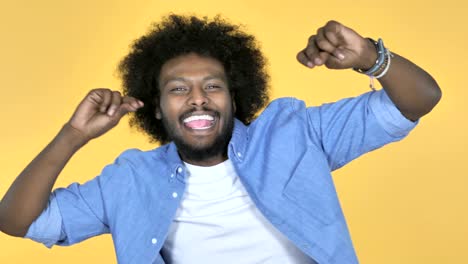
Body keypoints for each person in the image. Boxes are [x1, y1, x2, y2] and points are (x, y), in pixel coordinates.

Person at [0, 15, 441, 264]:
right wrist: (72, 136)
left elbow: (417, 101)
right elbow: (17, 221)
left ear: (234, 96)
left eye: (212, 86)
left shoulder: (294, 133)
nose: (197, 100)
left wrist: (369, 57)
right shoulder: (130, 179)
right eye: (177, 89)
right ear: (157, 106)